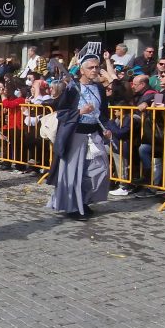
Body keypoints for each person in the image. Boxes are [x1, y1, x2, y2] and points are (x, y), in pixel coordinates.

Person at [47, 55, 110, 221]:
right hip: (75, 134)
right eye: (91, 67)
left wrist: (106, 129)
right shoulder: (72, 88)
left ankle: (84, 199)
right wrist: (80, 112)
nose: (95, 70)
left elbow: (104, 113)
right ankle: (72, 206)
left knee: (99, 169)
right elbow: (60, 113)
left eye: (97, 67)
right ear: (82, 70)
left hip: (94, 133)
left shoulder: (100, 89)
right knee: (74, 171)